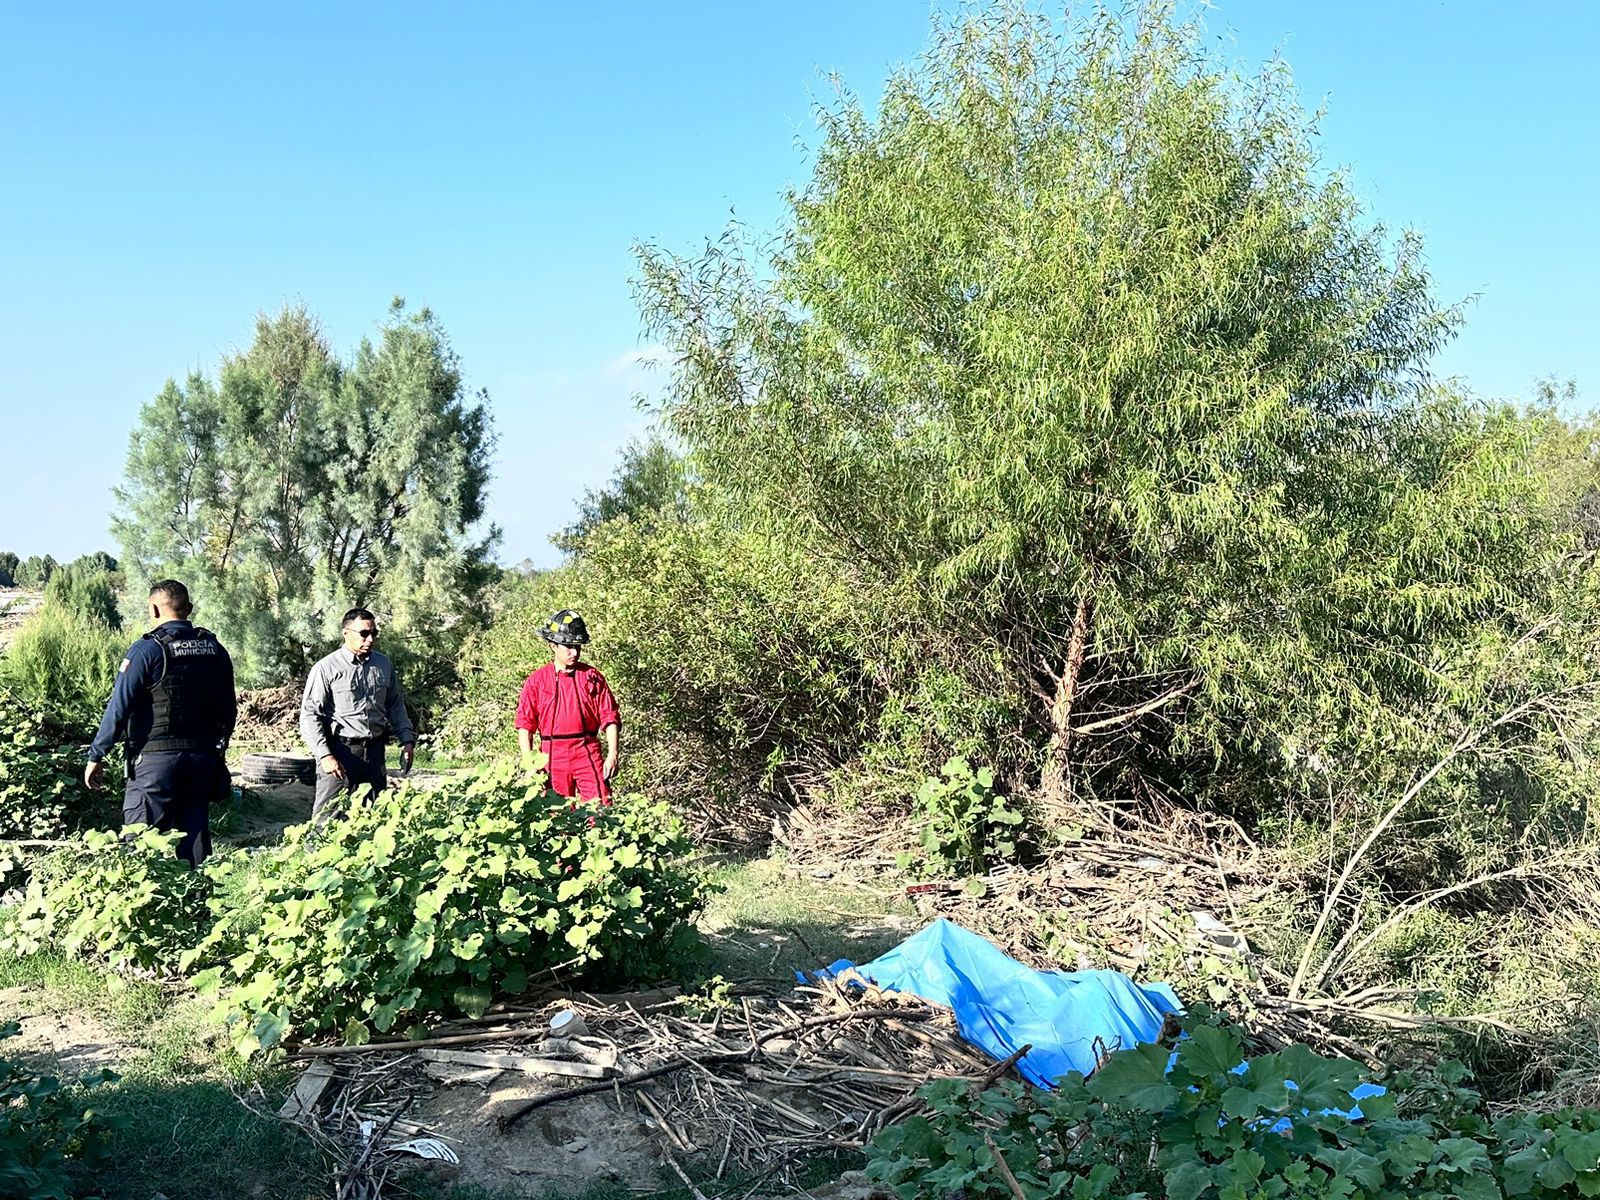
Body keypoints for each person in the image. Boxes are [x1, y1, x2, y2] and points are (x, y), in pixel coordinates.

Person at [83, 579, 236, 866]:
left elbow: (120, 707)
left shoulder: (147, 650)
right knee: (195, 840)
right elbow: (229, 708)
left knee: (139, 841)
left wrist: (97, 754)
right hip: (202, 758)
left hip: (155, 762)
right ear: (189, 608)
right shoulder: (215, 649)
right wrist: (217, 750)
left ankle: (143, 907)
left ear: (153, 609)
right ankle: (198, 907)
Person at [299, 608, 415, 823]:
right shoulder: (326, 668)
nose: (370, 639)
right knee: (328, 817)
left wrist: (407, 740)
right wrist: (325, 755)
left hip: (374, 753)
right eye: (363, 634)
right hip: (341, 752)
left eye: (374, 633)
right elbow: (309, 715)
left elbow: (395, 704)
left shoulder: (383, 665)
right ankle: (314, 856)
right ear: (346, 633)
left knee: (372, 815)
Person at [515, 609, 621, 801]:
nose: (574, 652)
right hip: (551, 755)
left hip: (587, 749)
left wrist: (612, 753)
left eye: (577, 646)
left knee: (601, 808)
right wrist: (529, 761)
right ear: (553, 645)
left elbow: (609, 717)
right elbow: (525, 725)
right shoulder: (537, 681)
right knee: (557, 817)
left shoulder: (592, 677)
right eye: (568, 646)